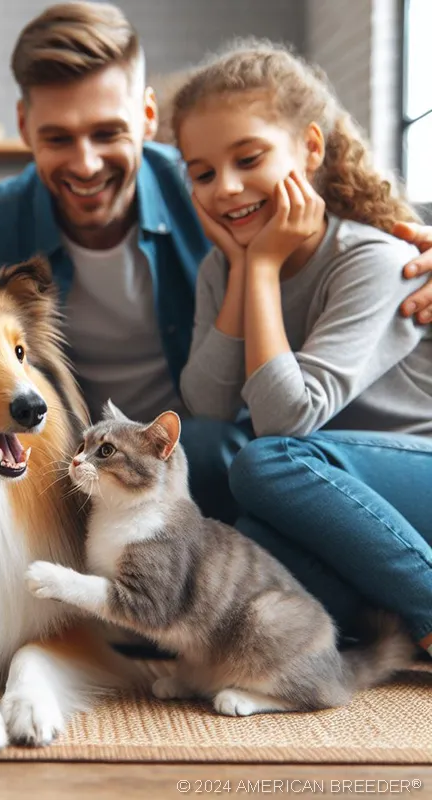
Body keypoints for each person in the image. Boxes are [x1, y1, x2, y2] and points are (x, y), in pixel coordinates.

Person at [0, 1, 432, 524]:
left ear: (148, 115)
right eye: (59, 138)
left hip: (215, 447)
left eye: (108, 133)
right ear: (24, 125)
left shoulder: (216, 192)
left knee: (215, 444)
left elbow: (345, 223)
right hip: (66, 462)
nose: (86, 164)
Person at [172, 39, 432, 653]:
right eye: (203, 173)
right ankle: (377, 611)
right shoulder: (222, 268)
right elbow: (206, 408)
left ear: (310, 148)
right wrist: (242, 274)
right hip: (340, 499)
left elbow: (287, 421)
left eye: (249, 158)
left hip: (408, 477)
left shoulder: (373, 260)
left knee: (266, 462)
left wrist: (261, 269)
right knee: (258, 529)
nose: (227, 188)